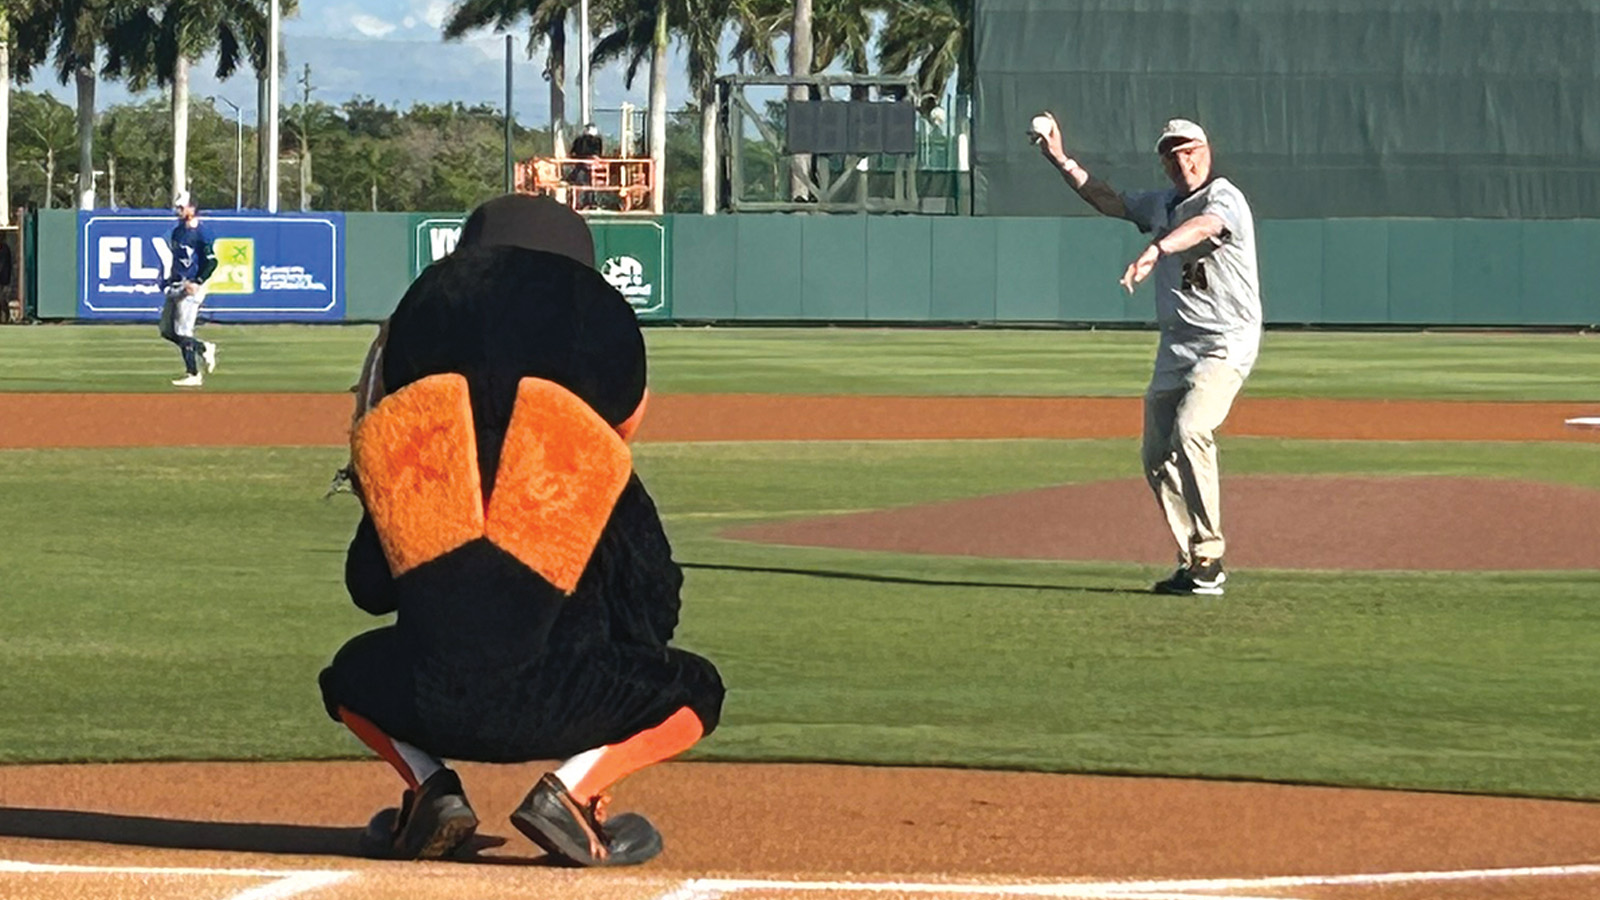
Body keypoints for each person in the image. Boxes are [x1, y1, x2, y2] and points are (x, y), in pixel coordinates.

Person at [319, 193, 724, 866]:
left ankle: (430, 791)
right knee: (698, 689)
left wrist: (379, 480)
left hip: (428, 700)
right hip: (566, 699)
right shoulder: (588, 462)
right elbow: (655, 606)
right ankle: (574, 792)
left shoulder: (423, 455)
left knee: (348, 676)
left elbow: (368, 589)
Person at [1036, 116, 1262, 596]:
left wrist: (1157, 249)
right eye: (1173, 154)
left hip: (1225, 340)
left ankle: (1211, 554)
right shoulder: (1162, 203)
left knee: (1193, 429)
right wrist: (1060, 159)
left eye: (1190, 150)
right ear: (1164, 162)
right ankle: (1194, 559)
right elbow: (1110, 200)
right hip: (1176, 345)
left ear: (1207, 150)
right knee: (1156, 454)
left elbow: (1204, 228)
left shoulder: (1224, 197)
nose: (1184, 161)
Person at [160, 192, 219, 387]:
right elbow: (175, 261)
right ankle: (203, 347)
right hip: (178, 284)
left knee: (184, 331)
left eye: (181, 207)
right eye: (178, 207)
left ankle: (193, 374)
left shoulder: (202, 232)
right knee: (167, 331)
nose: (178, 211)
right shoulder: (177, 232)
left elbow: (212, 262)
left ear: (192, 209)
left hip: (192, 286)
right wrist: (169, 280)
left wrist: (198, 281)